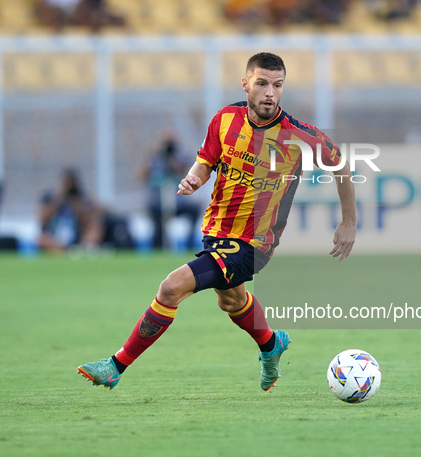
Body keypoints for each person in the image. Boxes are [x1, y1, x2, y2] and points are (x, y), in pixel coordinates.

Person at [77, 52, 357, 392]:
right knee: (232, 301)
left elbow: (340, 163)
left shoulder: (298, 135)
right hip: (217, 233)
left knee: (171, 287)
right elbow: (205, 161)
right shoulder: (225, 119)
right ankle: (271, 344)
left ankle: (115, 365)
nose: (270, 92)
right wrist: (194, 178)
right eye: (262, 83)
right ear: (246, 84)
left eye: (278, 85)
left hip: (255, 244)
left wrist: (349, 221)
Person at [140, 131, 203, 249]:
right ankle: (158, 246)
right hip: (158, 202)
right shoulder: (154, 158)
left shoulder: (179, 157)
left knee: (195, 209)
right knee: (157, 221)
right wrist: (153, 153)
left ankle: (189, 244)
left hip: (178, 201)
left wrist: (172, 161)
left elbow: (189, 171)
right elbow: (142, 176)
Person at [38, 168, 104, 253]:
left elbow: (90, 218)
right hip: (54, 236)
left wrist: (77, 204)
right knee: (41, 239)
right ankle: (64, 251)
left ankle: (84, 248)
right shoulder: (50, 197)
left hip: (77, 237)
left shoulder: (80, 199)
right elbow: (41, 217)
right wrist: (59, 197)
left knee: (94, 228)